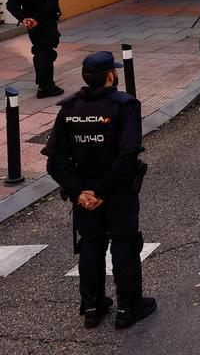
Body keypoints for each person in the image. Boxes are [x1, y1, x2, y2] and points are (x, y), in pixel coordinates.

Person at [43, 52, 156, 330]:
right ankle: (128, 308)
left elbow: (55, 160)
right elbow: (128, 153)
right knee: (124, 243)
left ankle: (92, 306)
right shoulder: (124, 106)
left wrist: (80, 191)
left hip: (84, 194)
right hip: (116, 190)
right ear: (110, 76)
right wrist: (103, 192)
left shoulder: (69, 108)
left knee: (91, 244)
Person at [5, 0, 64, 98]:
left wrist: (24, 18)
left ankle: (42, 82)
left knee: (39, 51)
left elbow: (11, 3)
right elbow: (52, 0)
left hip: (31, 24)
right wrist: (37, 18)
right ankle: (46, 87)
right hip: (45, 22)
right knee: (46, 53)